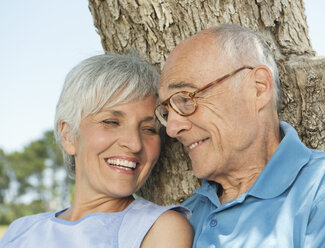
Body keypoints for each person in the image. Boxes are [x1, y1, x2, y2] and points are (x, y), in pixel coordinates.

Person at [155, 24, 325, 247]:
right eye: (166, 111)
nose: (172, 128)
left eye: (185, 99)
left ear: (258, 88)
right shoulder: (185, 217)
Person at [0, 52, 193, 248]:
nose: (134, 144)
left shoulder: (159, 229)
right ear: (68, 136)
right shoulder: (20, 230)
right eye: (111, 122)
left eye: (149, 129)